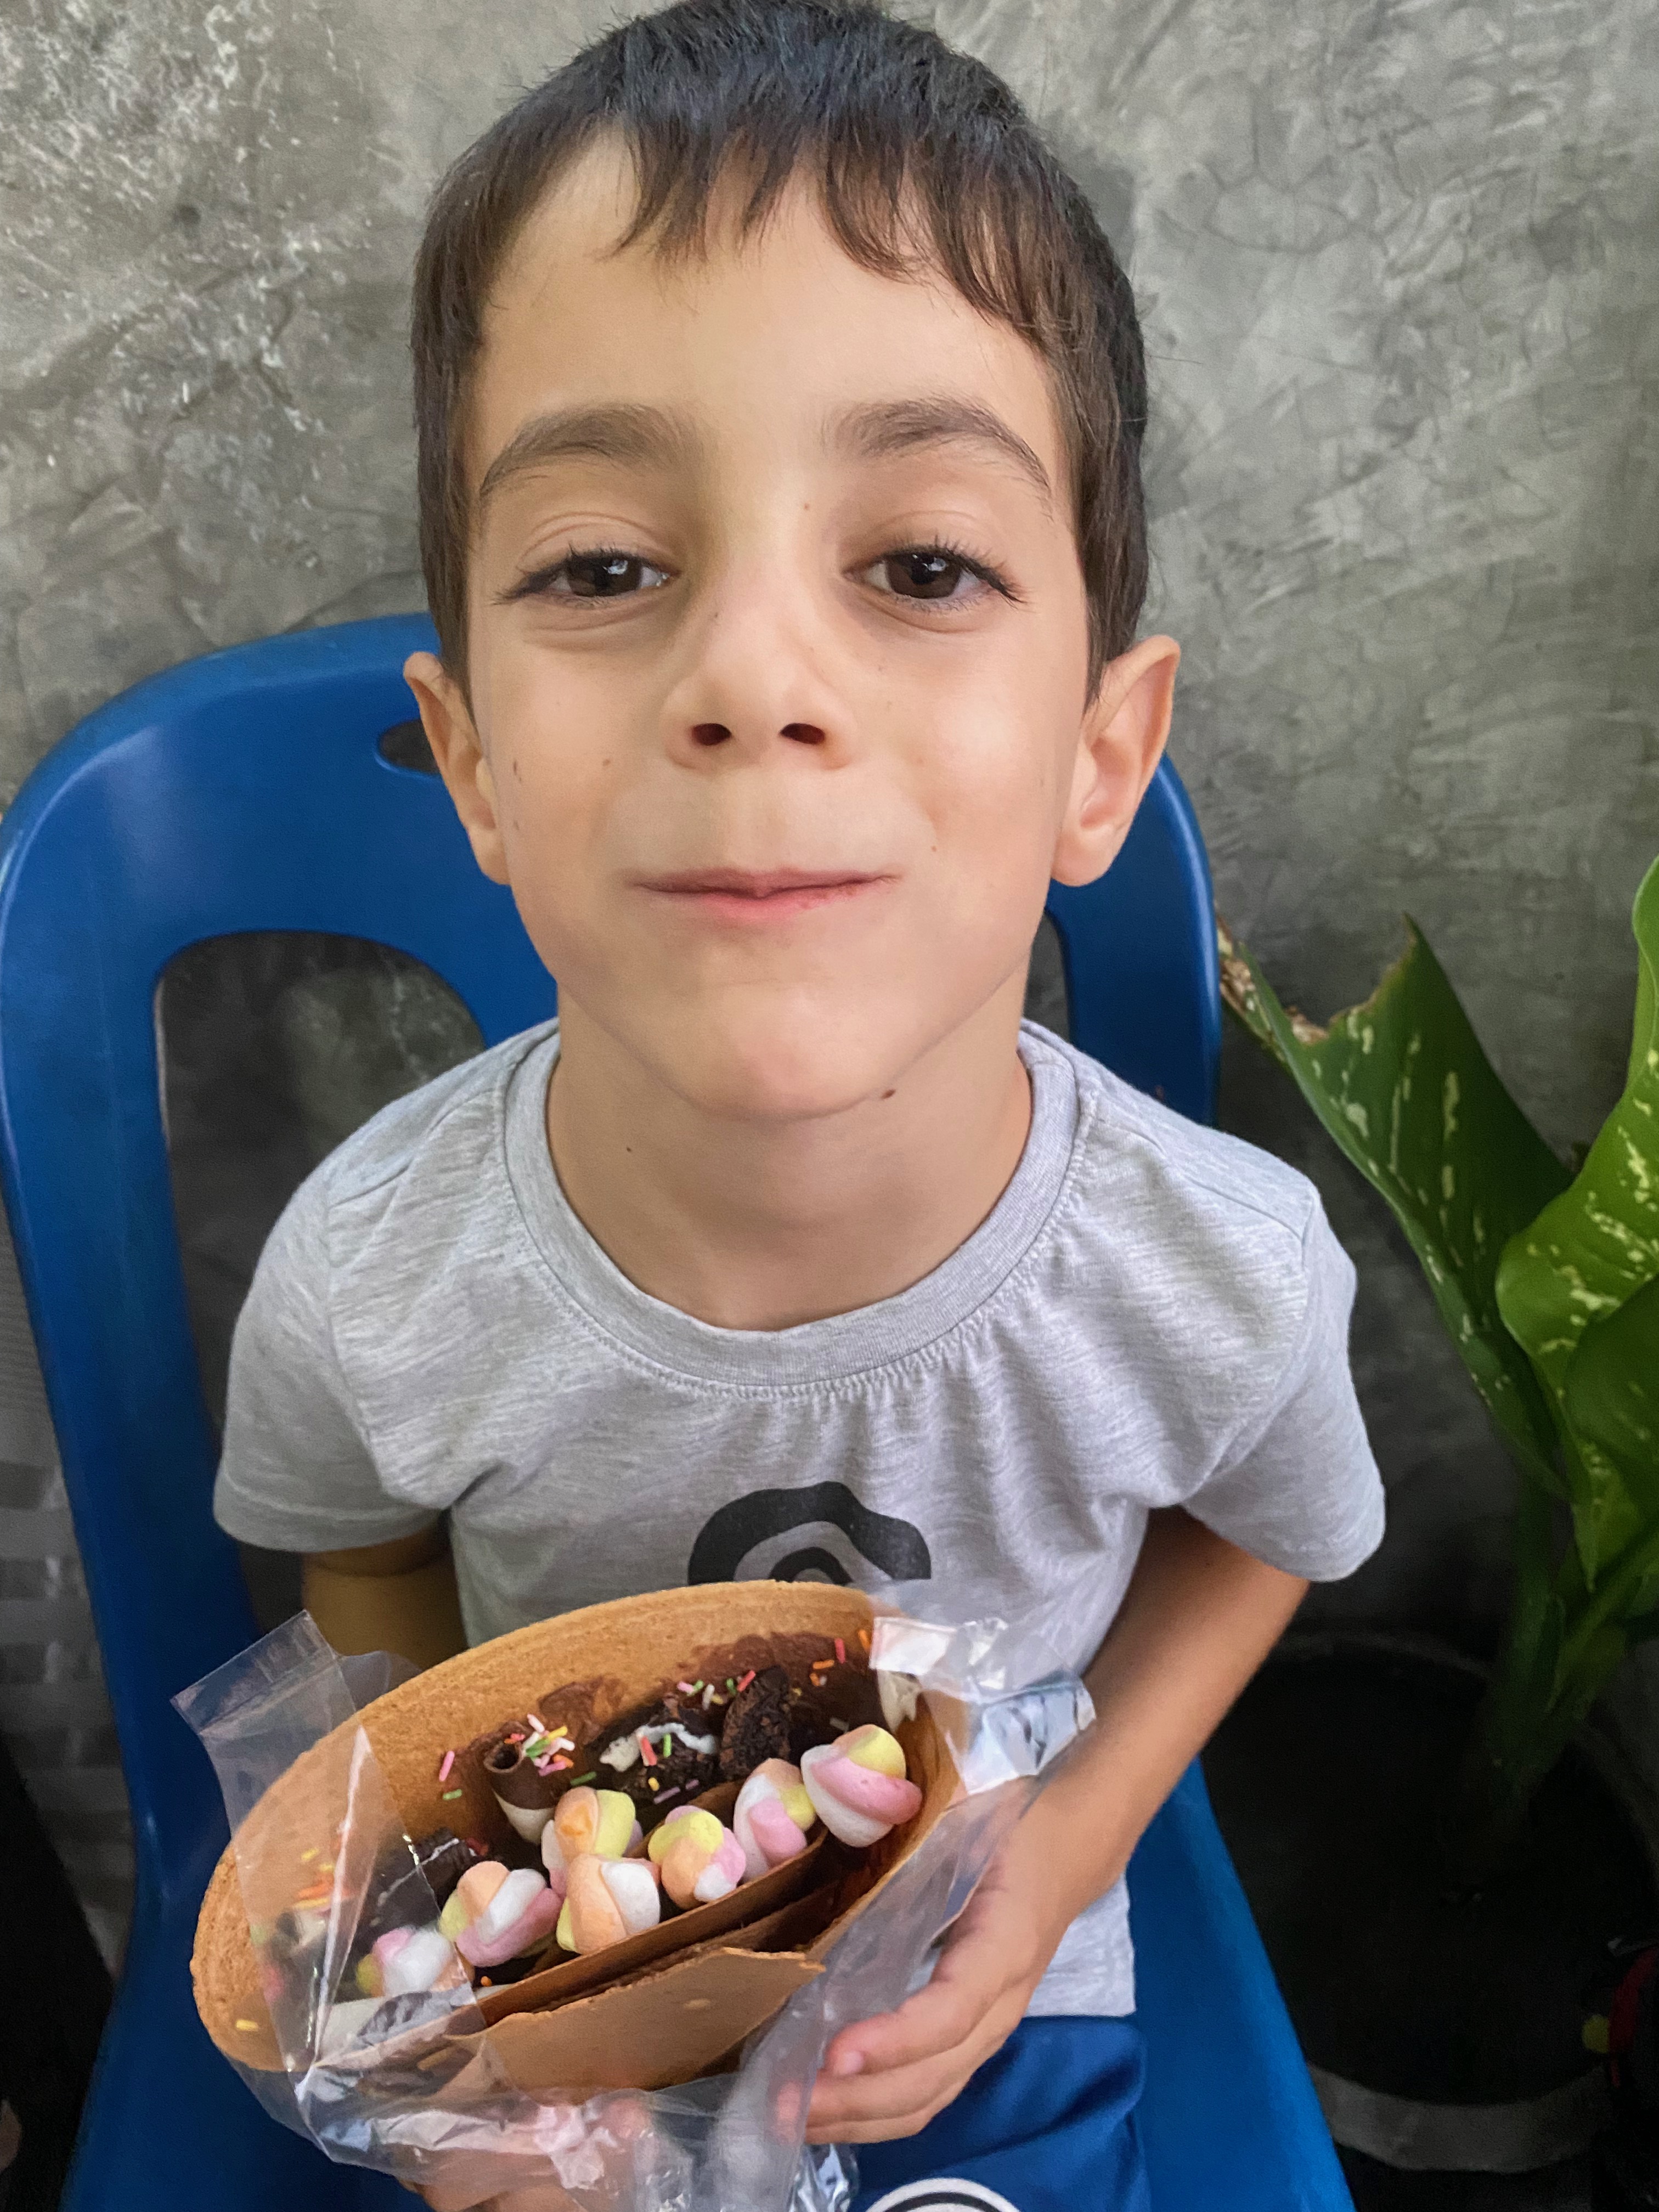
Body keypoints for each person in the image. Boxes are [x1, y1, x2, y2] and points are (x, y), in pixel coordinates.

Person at [211, 2, 1386, 2204]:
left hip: (982, 1980)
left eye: (921, 565)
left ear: (1102, 758)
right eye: (603, 567)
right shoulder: (373, 1282)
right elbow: (353, 1557)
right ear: (472, 765)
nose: (753, 678)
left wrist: (1071, 1844)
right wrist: (451, 2015)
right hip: (565, 1956)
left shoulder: (1216, 1276)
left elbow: (1271, 1528)